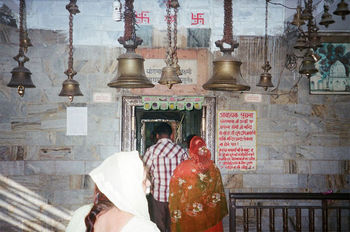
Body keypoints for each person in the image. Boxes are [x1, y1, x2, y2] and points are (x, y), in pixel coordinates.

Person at [65, 150, 160, 232]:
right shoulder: (144, 228)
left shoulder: (81, 214)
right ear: (130, 186)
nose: (149, 183)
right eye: (143, 180)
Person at [169, 136, 228, 232]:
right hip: (210, 216)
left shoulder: (183, 167)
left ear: (190, 149)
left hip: (190, 216)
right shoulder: (214, 167)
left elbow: (174, 192)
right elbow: (219, 191)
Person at [143, 122, 188, 232]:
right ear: (171, 135)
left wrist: (151, 188)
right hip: (177, 196)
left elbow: (144, 172)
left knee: (158, 227)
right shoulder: (181, 151)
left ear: (157, 136)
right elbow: (187, 173)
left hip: (159, 195)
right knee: (175, 227)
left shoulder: (151, 151)